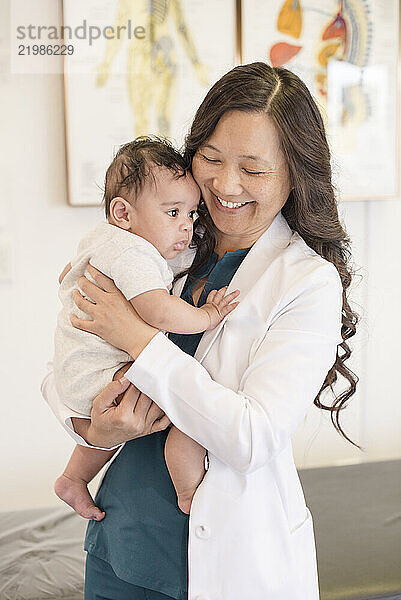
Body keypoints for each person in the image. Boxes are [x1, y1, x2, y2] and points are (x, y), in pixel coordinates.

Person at [42, 62, 358, 600]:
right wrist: (94, 431)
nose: (225, 184)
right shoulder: (161, 240)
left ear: (294, 174)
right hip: (118, 547)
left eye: (253, 170)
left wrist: (137, 338)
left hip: (223, 568)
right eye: (210, 158)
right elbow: (65, 367)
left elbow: (253, 435)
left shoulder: (307, 281)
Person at [53, 137, 239, 522]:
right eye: (173, 213)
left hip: (76, 374)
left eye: (192, 214)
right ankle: (189, 494)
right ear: (123, 213)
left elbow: (67, 275)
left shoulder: (109, 241)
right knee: (189, 409)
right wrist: (205, 316)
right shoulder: (131, 251)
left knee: (134, 414)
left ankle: (74, 477)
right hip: (100, 376)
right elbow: (157, 309)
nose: (187, 227)